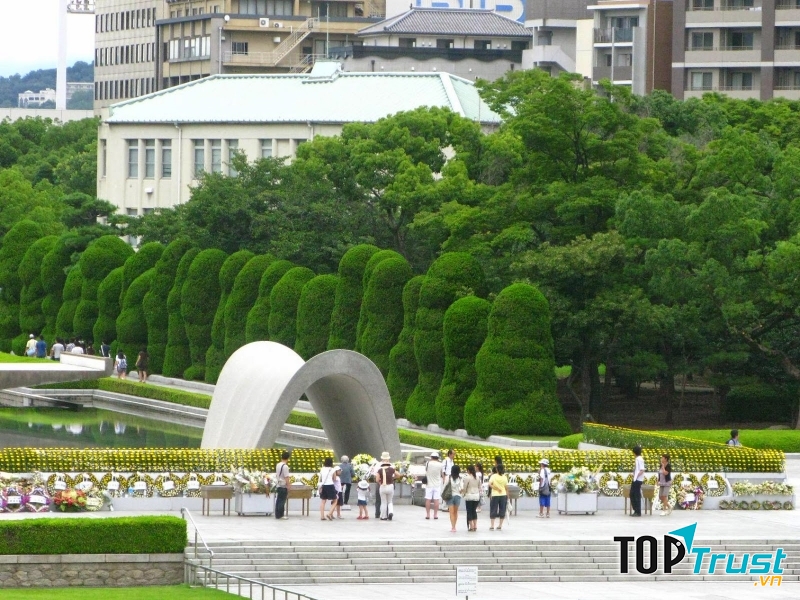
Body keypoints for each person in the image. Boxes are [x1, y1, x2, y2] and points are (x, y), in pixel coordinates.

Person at [376, 452, 396, 521]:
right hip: (390, 485)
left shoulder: (379, 466)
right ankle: (390, 512)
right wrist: (393, 478)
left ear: (382, 458)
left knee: (383, 502)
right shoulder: (391, 466)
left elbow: (377, 479)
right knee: (390, 501)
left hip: (382, 486)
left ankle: (383, 516)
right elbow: (398, 474)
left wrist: (380, 482)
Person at [488, 464, 508, 531]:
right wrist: (507, 495)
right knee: (502, 509)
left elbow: (490, 484)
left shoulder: (493, 476)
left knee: (493, 509)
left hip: (495, 495)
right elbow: (506, 487)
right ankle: (500, 525)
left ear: (497, 469)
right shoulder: (505, 477)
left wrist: (496, 489)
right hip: (503, 495)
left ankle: (492, 525)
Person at [425, 451, 443, 520]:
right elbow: (441, 473)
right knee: (436, 500)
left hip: (429, 483)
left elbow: (426, 471)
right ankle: (435, 515)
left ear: (431, 457)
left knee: (428, 499)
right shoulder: (440, 464)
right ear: (437, 458)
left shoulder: (428, 463)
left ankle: (428, 514)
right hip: (437, 484)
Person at [445, 464, 463, 533]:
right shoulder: (460, 478)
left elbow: (445, 486)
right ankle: (454, 526)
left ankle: (453, 527)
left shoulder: (448, 477)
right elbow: (461, 488)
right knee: (455, 512)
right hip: (457, 496)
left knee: (451, 512)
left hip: (450, 496)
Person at [463, 465, 481, 532]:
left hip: (469, 495)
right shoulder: (477, 477)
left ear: (468, 470)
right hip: (476, 495)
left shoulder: (467, 478)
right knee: (474, 510)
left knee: (469, 511)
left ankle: (471, 526)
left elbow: (465, 487)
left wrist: (463, 494)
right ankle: (475, 525)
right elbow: (479, 486)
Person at [274, 451, 290, 520]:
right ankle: (281, 515)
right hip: (283, 485)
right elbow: (286, 477)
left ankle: (277, 514)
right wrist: (288, 485)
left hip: (278, 484)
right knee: (282, 501)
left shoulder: (278, 464)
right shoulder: (285, 466)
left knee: (278, 500)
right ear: (288, 458)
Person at [631, 444, 645, 517]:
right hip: (635, 479)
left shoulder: (639, 459)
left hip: (637, 480)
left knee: (636, 495)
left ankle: (638, 511)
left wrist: (636, 476)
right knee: (632, 494)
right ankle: (636, 510)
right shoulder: (638, 459)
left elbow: (642, 470)